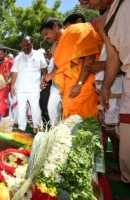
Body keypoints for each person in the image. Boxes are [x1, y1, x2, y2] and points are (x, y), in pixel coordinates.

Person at [81, 0, 130, 185]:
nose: (84, 4)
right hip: (127, 76)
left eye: (85, 0)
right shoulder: (104, 21)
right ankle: (127, 179)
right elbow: (113, 55)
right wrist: (106, 87)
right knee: (125, 132)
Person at [52, 19, 100, 119]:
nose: (69, 31)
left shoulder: (83, 30)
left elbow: (89, 57)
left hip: (83, 85)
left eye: (46, 33)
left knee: (86, 121)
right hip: (73, 86)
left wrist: (79, 84)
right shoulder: (63, 44)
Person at [11, 36, 47, 133]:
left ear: (32, 43)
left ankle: (37, 129)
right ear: (21, 45)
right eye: (23, 45)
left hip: (34, 88)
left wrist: (44, 81)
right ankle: (21, 128)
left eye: (28, 44)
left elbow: (44, 70)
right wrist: (12, 87)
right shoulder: (18, 58)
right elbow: (14, 72)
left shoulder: (39, 55)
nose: (25, 47)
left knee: (36, 109)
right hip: (21, 88)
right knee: (21, 109)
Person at [40, 19, 64, 126]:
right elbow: (56, 65)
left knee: (70, 115)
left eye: (46, 34)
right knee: (51, 111)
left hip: (69, 84)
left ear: (55, 27)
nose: (45, 38)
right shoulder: (54, 46)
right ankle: (56, 137)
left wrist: (47, 77)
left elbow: (62, 65)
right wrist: (46, 78)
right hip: (55, 85)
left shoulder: (70, 38)